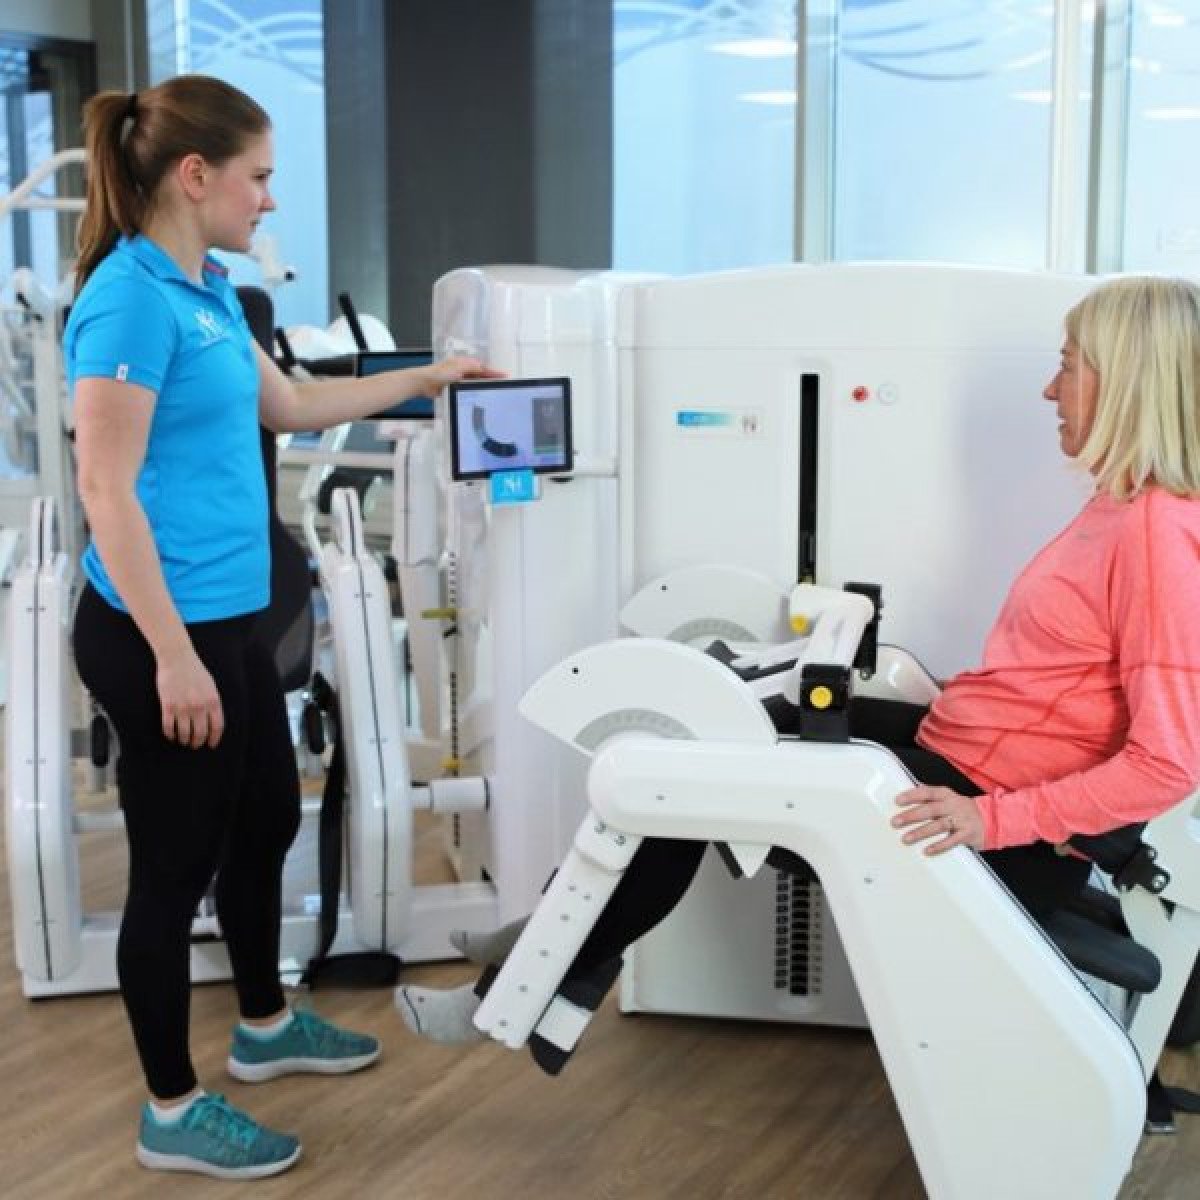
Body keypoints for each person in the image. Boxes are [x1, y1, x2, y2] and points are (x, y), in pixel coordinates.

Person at [398, 275, 1200, 1066]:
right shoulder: (1119, 505)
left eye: (1068, 367)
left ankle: (525, 983)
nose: (1050, 389)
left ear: (1125, 380)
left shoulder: (1158, 536)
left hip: (983, 810)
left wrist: (991, 822)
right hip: (961, 751)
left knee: (669, 777)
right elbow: (1064, 684)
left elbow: (1169, 762)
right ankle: (548, 952)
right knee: (689, 736)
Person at [66, 75, 498, 1180]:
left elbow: (292, 405)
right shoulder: (129, 302)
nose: (268, 199)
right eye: (257, 177)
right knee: (172, 873)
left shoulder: (207, 288)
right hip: (162, 635)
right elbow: (106, 492)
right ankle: (170, 1110)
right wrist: (172, 658)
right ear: (194, 175)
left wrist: (431, 378)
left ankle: (261, 1026)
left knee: (261, 820)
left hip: (229, 623)